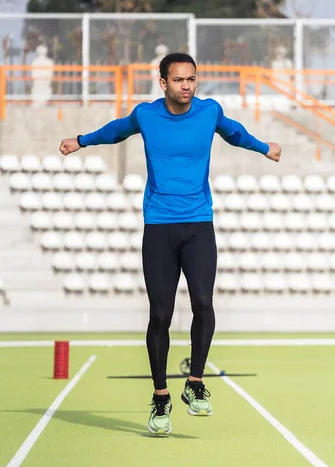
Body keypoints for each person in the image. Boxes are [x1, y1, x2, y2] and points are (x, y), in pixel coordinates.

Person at [59, 52, 281, 435]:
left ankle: (195, 384)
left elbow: (235, 132)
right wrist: (81, 140)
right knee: (160, 314)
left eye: (192, 79)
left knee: (203, 303)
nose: (187, 86)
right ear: (163, 83)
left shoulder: (209, 111)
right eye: (179, 80)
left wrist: (264, 147)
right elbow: (116, 130)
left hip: (199, 225)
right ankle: (160, 398)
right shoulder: (147, 115)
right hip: (159, 227)